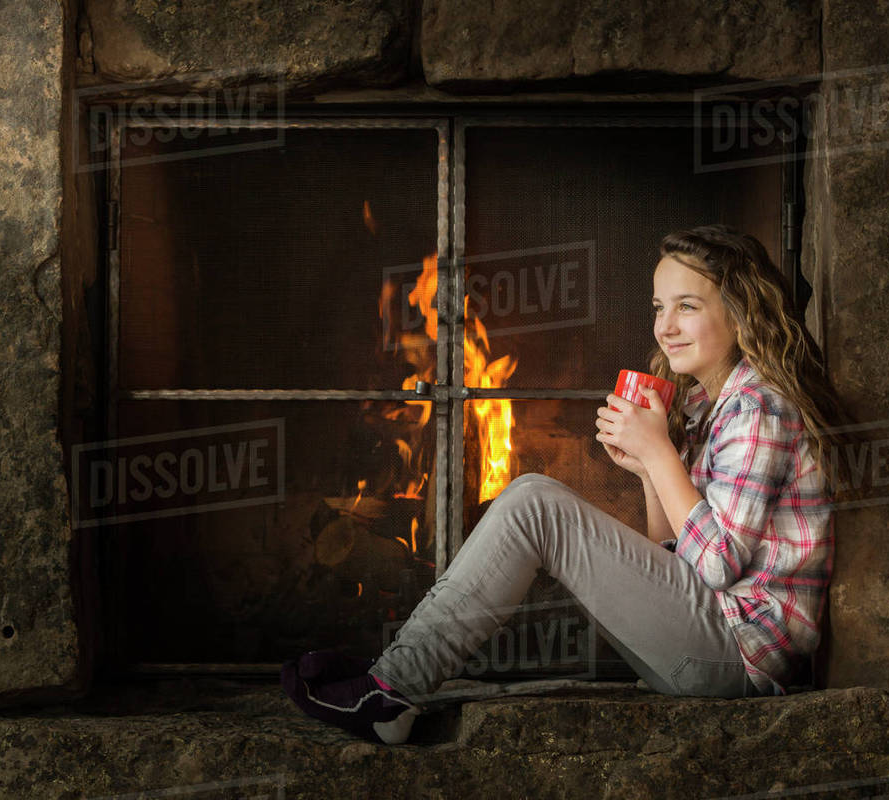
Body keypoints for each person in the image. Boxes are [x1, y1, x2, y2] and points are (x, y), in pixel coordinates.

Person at [280, 224, 855, 746]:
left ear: (739, 311)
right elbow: (671, 551)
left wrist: (660, 453)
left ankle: (392, 687)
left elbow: (718, 564)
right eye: (659, 306)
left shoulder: (759, 407)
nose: (665, 326)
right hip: (705, 646)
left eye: (687, 306)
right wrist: (647, 469)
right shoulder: (713, 404)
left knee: (533, 502)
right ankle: (392, 681)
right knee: (534, 503)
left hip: (737, 659)